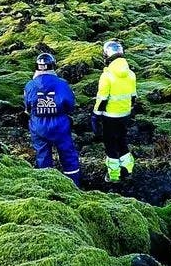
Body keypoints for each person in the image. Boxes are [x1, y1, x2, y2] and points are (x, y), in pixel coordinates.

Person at [23, 52, 80, 186]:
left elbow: (27, 107)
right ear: (53, 66)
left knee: (42, 156)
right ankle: (74, 185)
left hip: (38, 125)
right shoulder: (62, 84)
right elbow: (70, 104)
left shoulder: (30, 85)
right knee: (68, 155)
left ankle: (46, 185)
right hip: (60, 125)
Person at [91, 40, 137, 183]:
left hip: (110, 117)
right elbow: (133, 97)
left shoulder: (107, 76)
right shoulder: (130, 74)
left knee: (110, 146)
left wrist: (95, 116)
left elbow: (102, 99)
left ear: (107, 56)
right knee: (122, 142)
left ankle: (114, 175)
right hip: (125, 114)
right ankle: (128, 170)